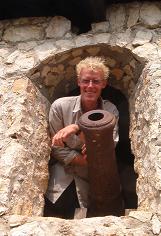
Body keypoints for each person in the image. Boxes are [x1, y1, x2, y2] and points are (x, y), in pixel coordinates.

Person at [44, 56, 119, 218]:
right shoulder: (60, 106)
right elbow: (55, 147)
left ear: (104, 84)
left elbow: (108, 148)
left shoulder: (110, 110)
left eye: (96, 81)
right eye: (86, 81)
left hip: (90, 183)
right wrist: (84, 159)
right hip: (60, 181)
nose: (90, 86)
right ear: (78, 81)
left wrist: (76, 127)